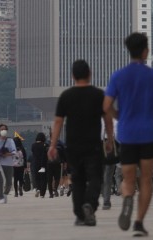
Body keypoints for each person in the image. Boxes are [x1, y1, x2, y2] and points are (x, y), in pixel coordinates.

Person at [104, 32, 153, 238]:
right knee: (145, 180)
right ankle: (139, 222)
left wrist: (119, 117)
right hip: (149, 133)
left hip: (126, 134)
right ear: (146, 51)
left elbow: (106, 106)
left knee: (128, 177)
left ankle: (127, 199)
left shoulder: (118, 75)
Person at [50, 59, 114, 227]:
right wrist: (110, 140)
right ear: (89, 74)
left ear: (73, 76)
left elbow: (58, 122)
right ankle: (90, 205)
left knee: (77, 179)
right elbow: (107, 120)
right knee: (95, 177)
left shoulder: (66, 96)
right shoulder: (99, 95)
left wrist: (52, 145)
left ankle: (80, 214)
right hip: (93, 144)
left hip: (73, 146)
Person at [0, 123, 17, 203]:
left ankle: (5, 194)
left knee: (9, 182)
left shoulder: (10, 141)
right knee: (0, 181)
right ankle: (0, 197)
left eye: (5, 129)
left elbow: (14, 151)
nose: (3, 130)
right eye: (2, 129)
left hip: (9, 164)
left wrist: (6, 154)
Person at [30, 132, 48, 197]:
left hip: (36, 163)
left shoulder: (33, 145)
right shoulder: (45, 145)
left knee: (37, 178)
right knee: (43, 179)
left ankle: (38, 188)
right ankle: (42, 194)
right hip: (43, 164)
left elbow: (33, 152)